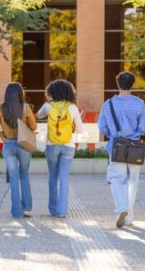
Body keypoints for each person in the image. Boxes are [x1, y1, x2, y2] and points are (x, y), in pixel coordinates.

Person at [98, 71, 145, 228]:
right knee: (133, 181)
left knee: (116, 178)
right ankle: (129, 217)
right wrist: (135, 134)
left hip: (117, 146)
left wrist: (113, 134)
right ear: (132, 85)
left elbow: (102, 127)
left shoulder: (108, 104)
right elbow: (143, 127)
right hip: (134, 147)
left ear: (118, 84)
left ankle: (121, 208)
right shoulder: (139, 103)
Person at [0, 83, 37, 218]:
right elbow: (34, 126)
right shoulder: (25, 108)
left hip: (8, 145)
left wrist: (1, 134)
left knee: (14, 178)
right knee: (24, 175)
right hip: (24, 145)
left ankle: (16, 212)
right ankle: (26, 208)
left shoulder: (1, 109)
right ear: (21, 94)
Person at [37, 79, 83, 218]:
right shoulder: (72, 108)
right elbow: (80, 129)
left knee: (53, 177)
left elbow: (39, 115)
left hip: (52, 145)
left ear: (51, 92)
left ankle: (53, 209)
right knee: (64, 178)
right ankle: (62, 211)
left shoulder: (48, 106)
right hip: (68, 146)